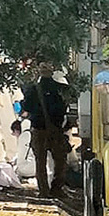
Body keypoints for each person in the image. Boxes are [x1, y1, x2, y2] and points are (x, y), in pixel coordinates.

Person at [20, 62, 70, 198]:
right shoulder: (61, 89)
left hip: (38, 130)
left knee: (40, 162)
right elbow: (64, 107)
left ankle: (43, 191)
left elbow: (26, 107)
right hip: (56, 130)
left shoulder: (32, 89)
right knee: (60, 161)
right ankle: (56, 188)